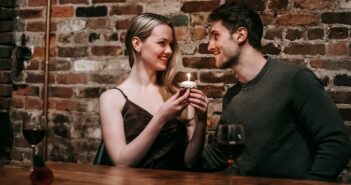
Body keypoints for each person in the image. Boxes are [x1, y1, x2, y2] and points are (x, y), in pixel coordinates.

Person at [198, 2, 351, 181]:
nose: (209, 46)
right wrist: (192, 123)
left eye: (216, 36)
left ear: (240, 35)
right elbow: (217, 156)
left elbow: (336, 143)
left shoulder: (294, 79)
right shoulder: (231, 97)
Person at [94, 13, 209, 171]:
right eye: (162, 43)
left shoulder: (177, 93)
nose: (168, 51)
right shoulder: (111, 98)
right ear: (137, 44)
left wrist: (201, 120)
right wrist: (161, 117)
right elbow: (121, 161)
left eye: (171, 44)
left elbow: (190, 161)